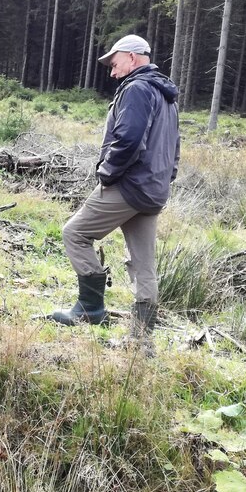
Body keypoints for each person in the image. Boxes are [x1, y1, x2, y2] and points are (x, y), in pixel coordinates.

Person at [48, 34, 180, 341]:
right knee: (144, 263)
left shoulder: (137, 89)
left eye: (115, 62)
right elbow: (175, 147)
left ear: (132, 58)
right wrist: (165, 178)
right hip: (154, 190)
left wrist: (107, 172)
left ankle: (91, 308)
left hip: (129, 185)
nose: (112, 71)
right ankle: (141, 341)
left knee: (75, 233)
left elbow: (130, 139)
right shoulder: (166, 95)